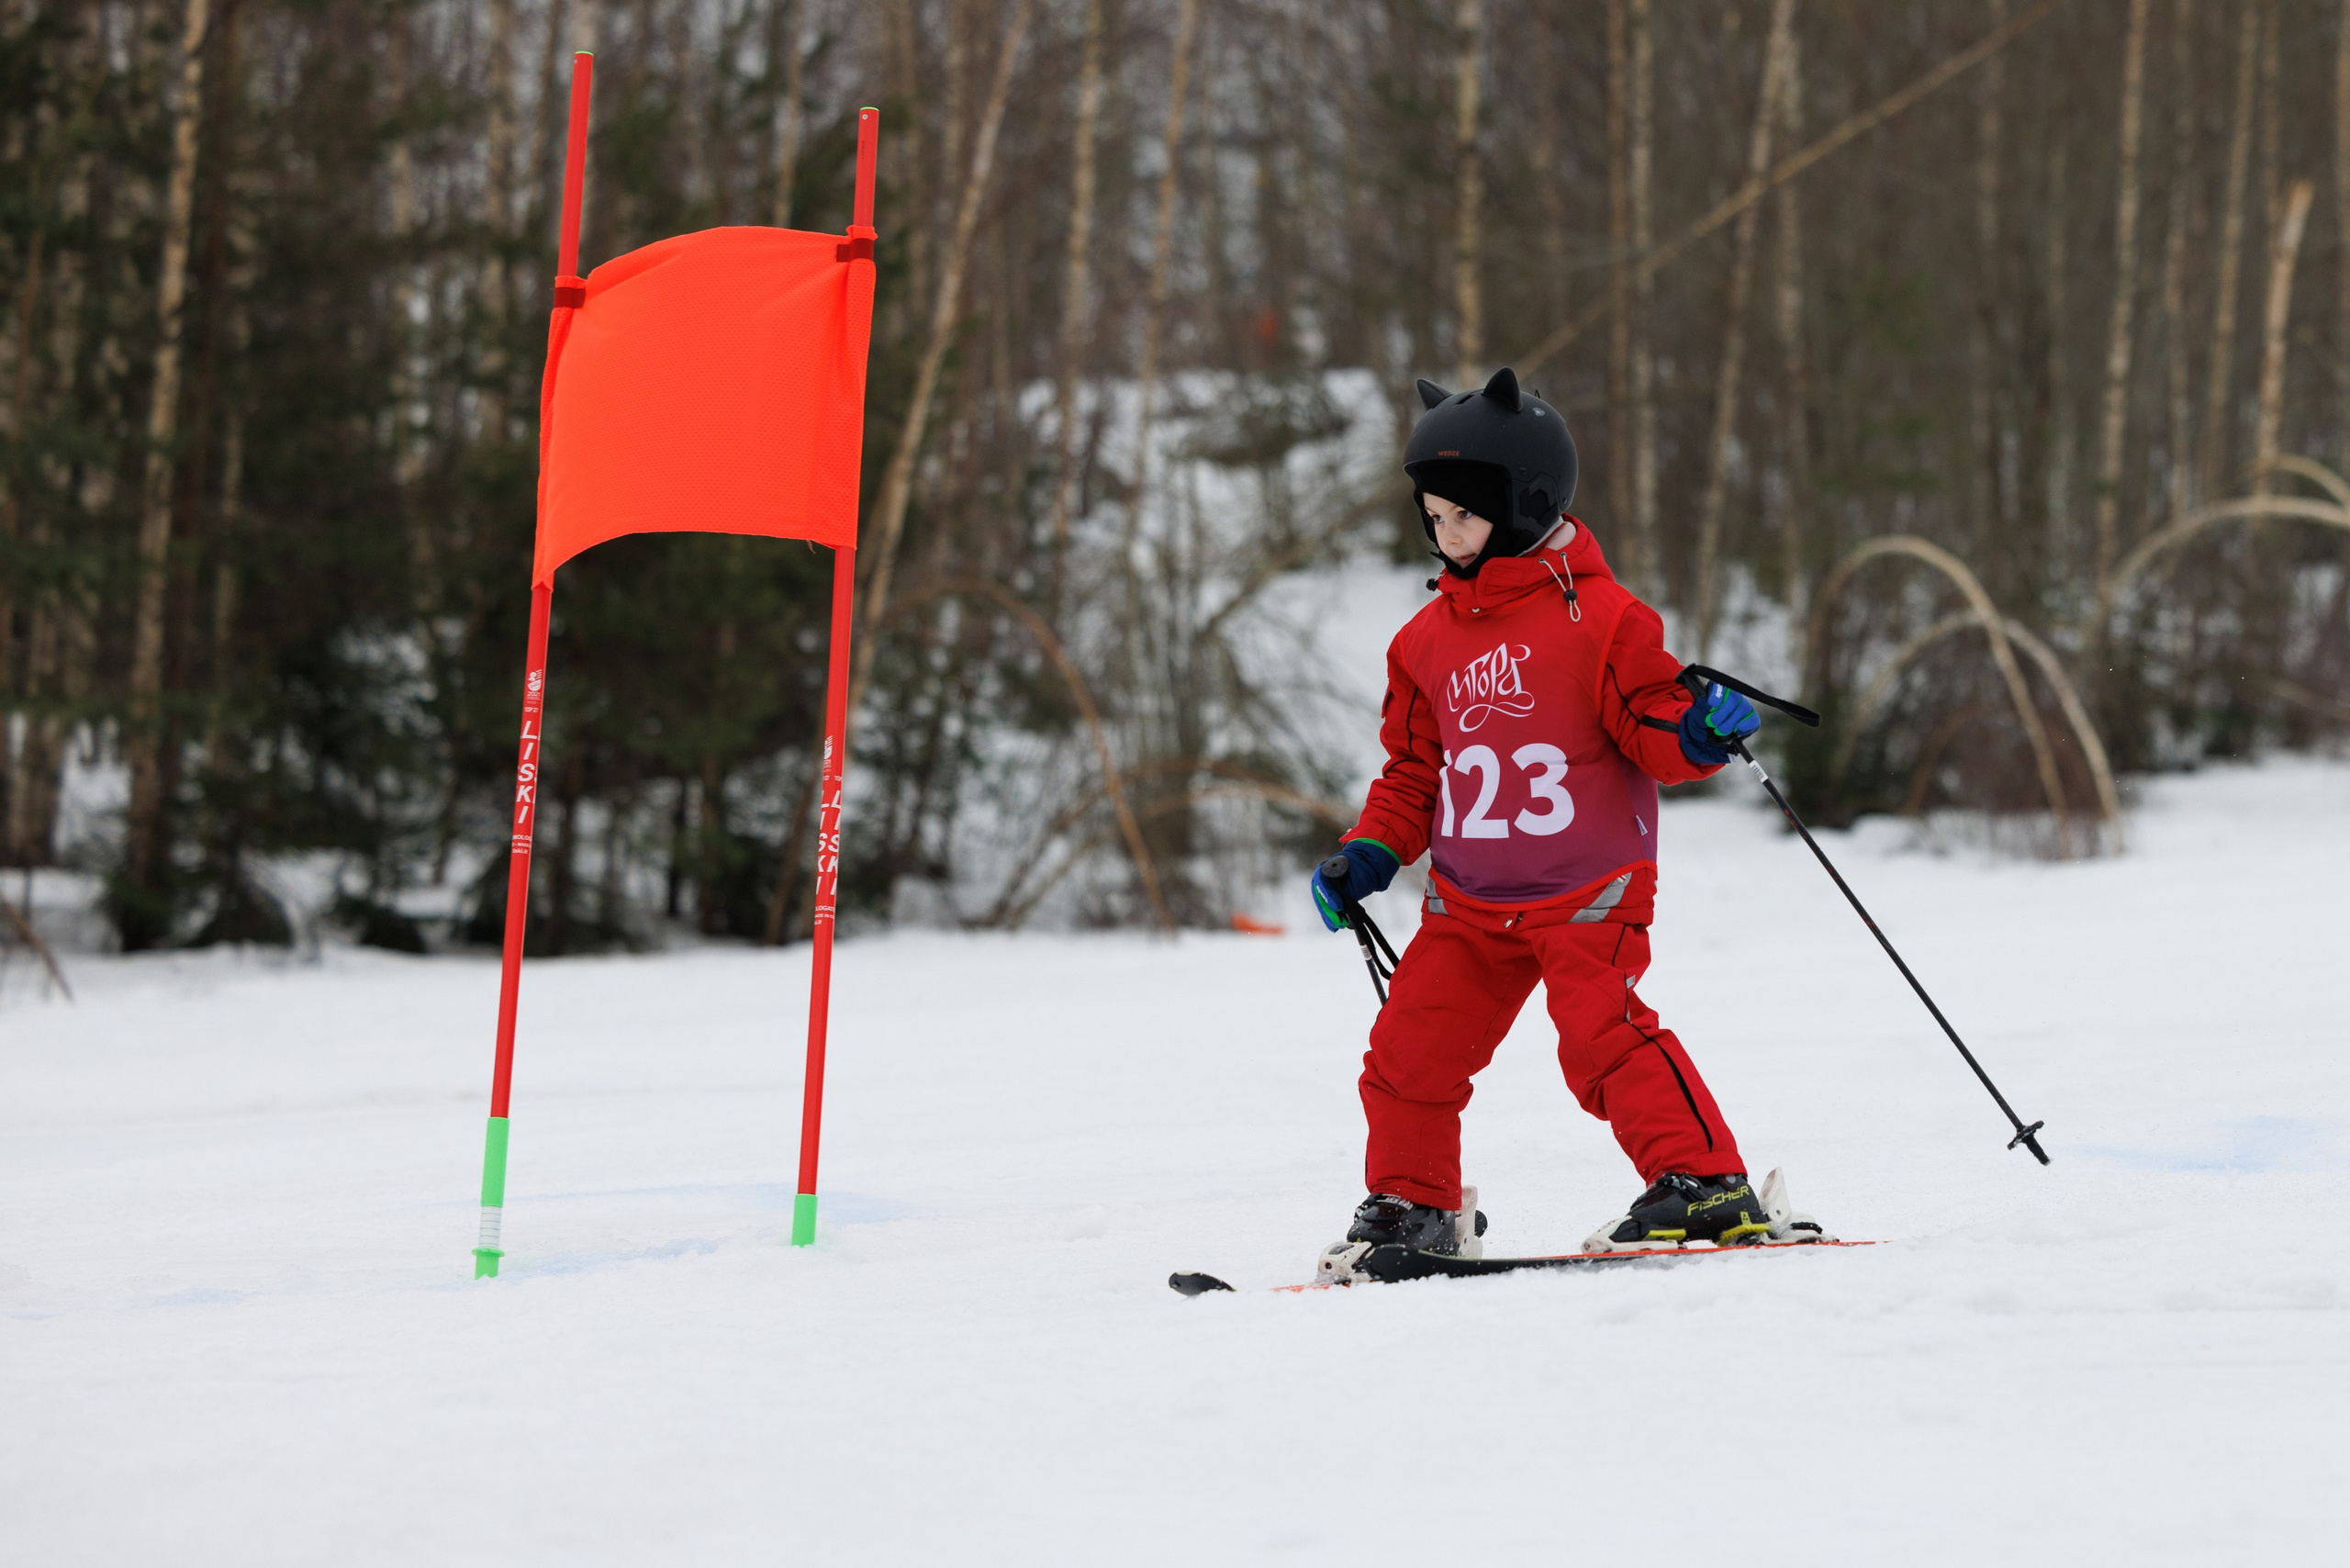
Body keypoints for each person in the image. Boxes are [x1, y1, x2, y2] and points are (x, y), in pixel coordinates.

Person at [1311, 365, 1807, 1263]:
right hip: (1468, 898)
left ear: (1526, 501)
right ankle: (1411, 1202)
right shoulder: (1422, 642)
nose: (1445, 533)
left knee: (1601, 1039)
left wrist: (1696, 728)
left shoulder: (1605, 620)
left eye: (1464, 513)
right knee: (1409, 1051)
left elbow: (1651, 721)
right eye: (1432, 517)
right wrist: (1369, 852)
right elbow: (1414, 774)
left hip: (1585, 886)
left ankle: (1705, 1182)